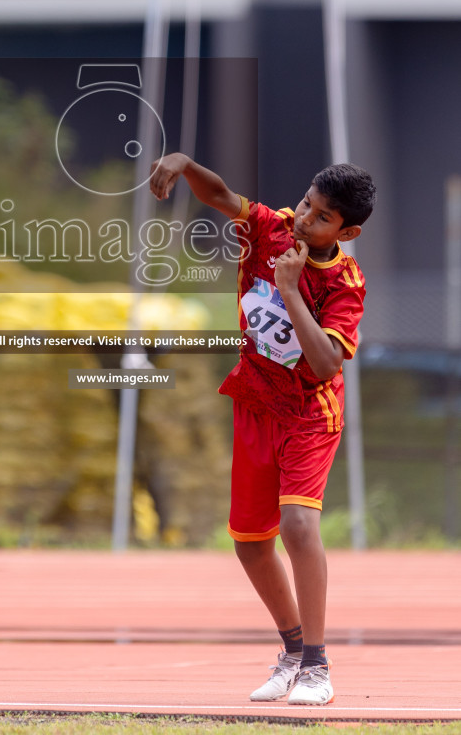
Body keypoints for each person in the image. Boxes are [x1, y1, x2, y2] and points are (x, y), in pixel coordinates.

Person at [150, 154, 376, 706]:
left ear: (346, 233)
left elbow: (325, 365)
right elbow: (220, 195)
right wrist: (184, 164)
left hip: (308, 414)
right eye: (305, 203)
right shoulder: (271, 228)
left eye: (321, 217)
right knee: (250, 545)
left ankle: (318, 667)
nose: (303, 218)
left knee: (298, 526)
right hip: (255, 404)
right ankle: (293, 651)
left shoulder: (345, 284)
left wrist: (292, 290)